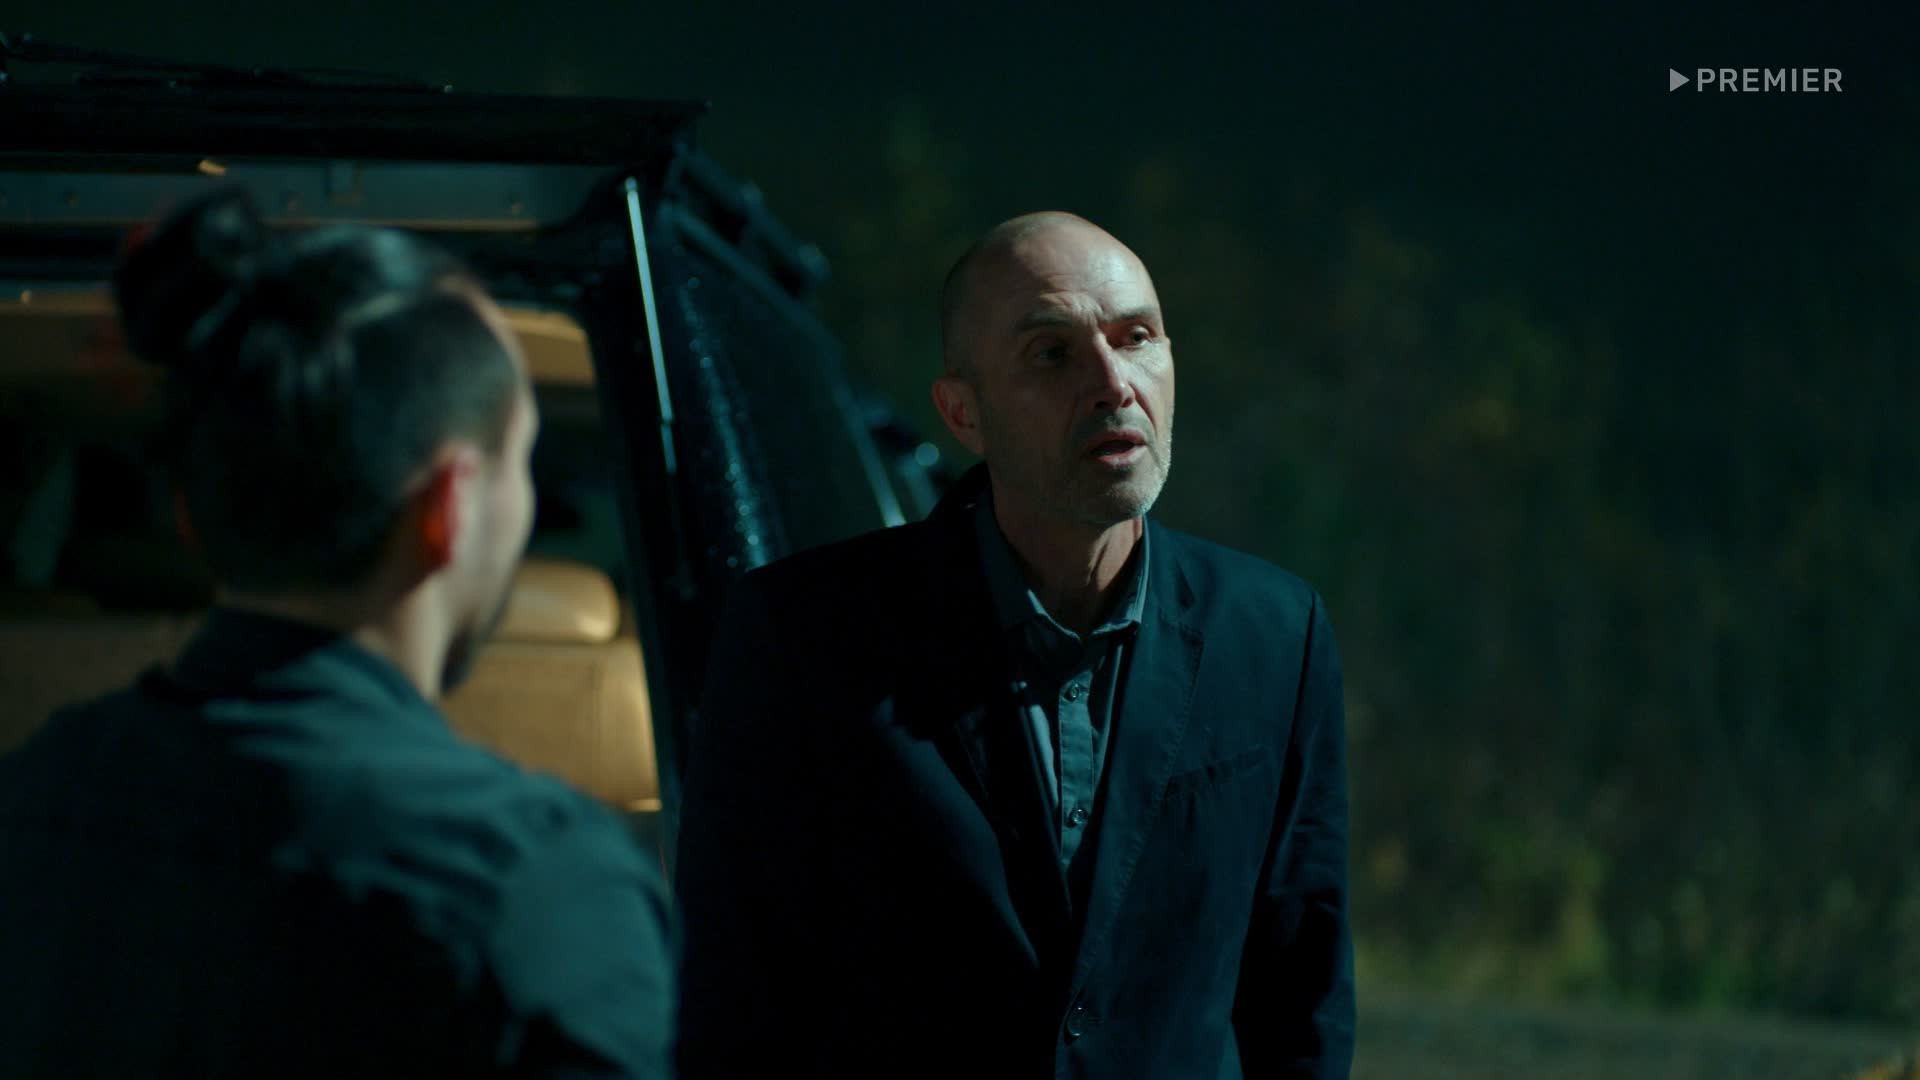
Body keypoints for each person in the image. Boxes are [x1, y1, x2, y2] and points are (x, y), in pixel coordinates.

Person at [0, 188, 675, 1077]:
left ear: (192, 515)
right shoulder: (536, 889)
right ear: (449, 506)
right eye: (521, 461)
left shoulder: (33, 794)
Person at [675, 211, 1352, 1078]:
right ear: (964, 413)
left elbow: (1301, 992)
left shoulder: (1274, 632)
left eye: (1137, 338)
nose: (1113, 384)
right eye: (1052, 353)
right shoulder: (803, 635)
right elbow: (733, 996)